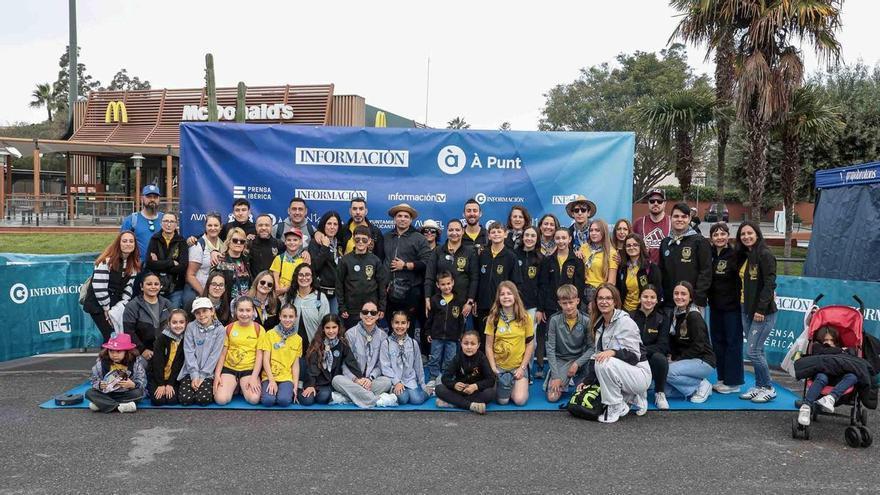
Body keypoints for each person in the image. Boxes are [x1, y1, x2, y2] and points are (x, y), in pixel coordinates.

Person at [577, 283, 652, 424]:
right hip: (624, 372)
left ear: (615, 301)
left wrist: (612, 352)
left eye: (608, 298)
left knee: (605, 362)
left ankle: (615, 405)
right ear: (596, 301)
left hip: (639, 373)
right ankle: (634, 397)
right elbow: (596, 355)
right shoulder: (599, 323)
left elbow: (634, 356)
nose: (604, 302)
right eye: (600, 298)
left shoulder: (625, 322)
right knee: (602, 361)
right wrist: (587, 381)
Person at [736, 220, 779, 403]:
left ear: (757, 234)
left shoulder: (765, 254)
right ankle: (760, 386)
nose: (746, 237)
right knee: (757, 351)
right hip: (745, 308)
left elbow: (770, 284)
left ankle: (769, 387)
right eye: (743, 234)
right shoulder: (747, 255)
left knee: (753, 351)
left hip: (762, 312)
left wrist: (761, 309)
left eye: (749, 233)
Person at [536, 228, 585, 375]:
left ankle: (570, 368)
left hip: (570, 306)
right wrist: (540, 308)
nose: (561, 241)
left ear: (570, 239)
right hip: (550, 305)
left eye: (564, 238)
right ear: (554, 240)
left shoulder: (576, 260)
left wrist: (574, 304)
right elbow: (543, 285)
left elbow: (579, 285)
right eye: (558, 238)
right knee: (547, 336)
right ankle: (541, 367)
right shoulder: (548, 260)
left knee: (568, 337)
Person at [797, 326, 863, 426]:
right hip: (823, 375)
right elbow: (822, 352)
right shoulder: (817, 346)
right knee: (822, 377)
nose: (829, 342)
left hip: (838, 378)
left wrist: (840, 350)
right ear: (821, 339)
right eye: (826, 340)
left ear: (835, 340)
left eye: (831, 340)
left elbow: (853, 354)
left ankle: (831, 397)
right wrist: (840, 350)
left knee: (853, 376)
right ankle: (806, 406)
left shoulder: (844, 348)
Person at [383, 203, 431, 339]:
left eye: (406, 216)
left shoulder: (419, 238)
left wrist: (405, 265)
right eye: (399, 216)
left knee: (407, 328)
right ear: (394, 219)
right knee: (391, 326)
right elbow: (381, 262)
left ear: (411, 220)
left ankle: (407, 357)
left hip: (411, 292)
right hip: (390, 292)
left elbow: (427, 262)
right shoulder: (386, 237)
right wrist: (384, 284)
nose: (402, 219)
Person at [334, 301, 395, 408]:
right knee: (336, 380)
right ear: (361, 315)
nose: (369, 315)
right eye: (365, 312)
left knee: (387, 382)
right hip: (353, 380)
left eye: (373, 313)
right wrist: (356, 380)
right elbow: (345, 363)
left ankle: (349, 397)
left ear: (377, 316)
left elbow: (381, 364)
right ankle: (375, 400)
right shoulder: (350, 334)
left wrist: (370, 379)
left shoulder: (383, 336)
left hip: (372, 381)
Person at [82, 231, 140, 342]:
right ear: (118, 243)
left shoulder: (133, 264)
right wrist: (106, 309)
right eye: (124, 241)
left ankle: (112, 359)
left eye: (131, 241)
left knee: (118, 336)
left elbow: (128, 288)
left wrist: (121, 306)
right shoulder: (106, 261)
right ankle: (104, 359)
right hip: (98, 305)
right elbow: (99, 286)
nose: (128, 244)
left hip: (115, 305)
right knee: (110, 337)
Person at [707, 222, 744, 395]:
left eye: (722, 234)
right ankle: (722, 377)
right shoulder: (711, 254)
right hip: (715, 306)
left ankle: (734, 382)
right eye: (716, 235)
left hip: (732, 307)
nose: (719, 237)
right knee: (718, 342)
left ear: (728, 236)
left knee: (732, 343)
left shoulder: (736, 255)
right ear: (711, 238)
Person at [485, 281, 534, 406]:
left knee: (520, 400)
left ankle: (516, 385)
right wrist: (493, 368)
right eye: (502, 294)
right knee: (503, 401)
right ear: (498, 298)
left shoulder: (525, 317)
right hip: (499, 368)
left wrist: (522, 368)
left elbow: (530, 345)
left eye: (509, 293)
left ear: (515, 296)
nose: (506, 297)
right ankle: (504, 386)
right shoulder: (493, 318)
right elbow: (488, 346)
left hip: (517, 367)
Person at [667, 281, 716, 403]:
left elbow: (698, 347)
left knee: (667, 372)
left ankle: (701, 385)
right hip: (687, 360)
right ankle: (692, 389)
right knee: (666, 390)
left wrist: (677, 360)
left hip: (703, 360)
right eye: (676, 293)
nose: (679, 297)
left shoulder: (694, 316)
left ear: (690, 297)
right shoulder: (675, 314)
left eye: (683, 294)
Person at [545, 284, 593, 402]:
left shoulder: (586, 320)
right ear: (559, 303)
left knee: (581, 396)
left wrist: (577, 363)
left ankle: (577, 378)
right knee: (552, 398)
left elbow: (592, 348)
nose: (568, 306)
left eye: (571, 302)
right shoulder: (554, 320)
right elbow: (550, 349)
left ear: (577, 301)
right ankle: (554, 375)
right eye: (564, 303)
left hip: (580, 360)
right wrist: (556, 377)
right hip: (562, 359)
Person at [475, 222, 523, 342]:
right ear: (489, 236)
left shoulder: (511, 256)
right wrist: (475, 300)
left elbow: (515, 283)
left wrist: (511, 303)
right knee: (483, 337)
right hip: (483, 305)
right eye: (493, 232)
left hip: (502, 306)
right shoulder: (482, 254)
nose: (496, 234)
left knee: (500, 338)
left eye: (499, 231)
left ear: (505, 234)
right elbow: (476, 279)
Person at [424, 219, 478, 325]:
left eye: (457, 230)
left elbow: (474, 278)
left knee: (460, 337)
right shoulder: (437, 251)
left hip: (462, 304)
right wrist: (427, 298)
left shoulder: (470, 252)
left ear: (463, 231)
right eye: (451, 230)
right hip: (440, 303)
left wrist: (470, 301)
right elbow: (429, 276)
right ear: (446, 232)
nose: (454, 233)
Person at [659, 202, 712, 310]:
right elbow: (662, 272)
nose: (680, 219)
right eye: (676, 216)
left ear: (689, 219)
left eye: (684, 217)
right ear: (671, 218)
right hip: (669, 303)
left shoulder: (699, 241)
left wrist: (698, 299)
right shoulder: (665, 242)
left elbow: (706, 272)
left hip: (692, 303)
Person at [300, 314, 361, 406]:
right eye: (327, 328)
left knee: (323, 397)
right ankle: (298, 390)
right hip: (317, 381)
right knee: (307, 401)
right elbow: (312, 367)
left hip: (331, 382)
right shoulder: (317, 344)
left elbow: (351, 362)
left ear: (339, 327)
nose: (331, 331)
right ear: (323, 329)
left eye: (334, 327)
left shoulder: (342, 343)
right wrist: (311, 386)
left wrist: (360, 377)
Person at [337, 225, 389, 330]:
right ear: (353, 239)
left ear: (369, 241)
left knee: (371, 339)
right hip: (351, 310)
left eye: (364, 240)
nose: (361, 242)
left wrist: (382, 307)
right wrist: (342, 307)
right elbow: (339, 285)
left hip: (371, 309)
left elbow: (382, 286)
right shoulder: (345, 260)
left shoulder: (375, 260)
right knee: (351, 339)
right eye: (357, 239)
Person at [215, 296, 264, 405]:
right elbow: (222, 355)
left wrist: (254, 377)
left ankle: (241, 385)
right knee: (221, 400)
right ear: (236, 311)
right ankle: (235, 384)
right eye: (241, 310)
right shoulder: (228, 328)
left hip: (249, 370)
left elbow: (260, 356)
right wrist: (217, 375)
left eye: (248, 310)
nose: (244, 314)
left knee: (254, 399)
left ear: (253, 311)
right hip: (229, 368)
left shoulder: (259, 329)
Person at [178, 297, 225, 406]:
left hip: (208, 372)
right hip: (190, 370)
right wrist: (194, 375)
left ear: (212, 311)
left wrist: (202, 375)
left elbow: (215, 355)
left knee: (203, 400)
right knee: (185, 399)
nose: (201, 315)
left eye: (204, 311)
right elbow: (189, 351)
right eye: (197, 312)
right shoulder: (191, 327)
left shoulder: (220, 329)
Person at [434, 330, 496, 414]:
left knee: (491, 393)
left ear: (478, 345)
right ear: (461, 344)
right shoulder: (457, 357)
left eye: (472, 344)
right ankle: (470, 406)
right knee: (439, 388)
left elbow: (491, 379)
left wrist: (475, 386)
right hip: (460, 391)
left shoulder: (482, 358)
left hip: (475, 392)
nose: (469, 347)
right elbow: (445, 377)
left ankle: (454, 403)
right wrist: (454, 384)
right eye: (466, 343)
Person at [629, 285, 671, 410]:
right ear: (640, 298)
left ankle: (659, 393)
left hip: (650, 357)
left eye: (652, 297)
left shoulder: (662, 318)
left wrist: (643, 351)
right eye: (645, 296)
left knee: (660, 359)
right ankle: (635, 392)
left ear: (657, 300)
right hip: (633, 356)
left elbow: (663, 345)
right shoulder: (630, 316)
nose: (649, 300)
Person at [85, 332, 146, 413]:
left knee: (139, 393)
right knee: (89, 393)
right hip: (108, 393)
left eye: (118, 352)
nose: (114, 355)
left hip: (126, 393)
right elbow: (93, 379)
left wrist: (133, 385)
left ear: (127, 351)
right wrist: (99, 385)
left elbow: (143, 381)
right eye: (111, 351)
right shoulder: (101, 363)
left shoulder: (135, 362)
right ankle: (119, 407)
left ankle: (102, 404)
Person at [425, 271, 466, 386]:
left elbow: (461, 320)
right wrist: (428, 332)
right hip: (436, 335)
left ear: (453, 283)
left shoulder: (458, 300)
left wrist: (461, 334)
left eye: (448, 283)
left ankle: (447, 377)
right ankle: (433, 377)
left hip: (452, 337)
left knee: (450, 359)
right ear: (438, 285)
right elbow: (430, 318)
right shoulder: (434, 300)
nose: (446, 286)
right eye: (443, 284)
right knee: (435, 357)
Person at [258, 303, 302, 407]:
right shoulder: (270, 334)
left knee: (284, 401)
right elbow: (265, 360)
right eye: (284, 316)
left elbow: (295, 365)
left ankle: (282, 391)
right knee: (268, 401)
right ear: (280, 317)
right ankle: (268, 391)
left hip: (286, 377)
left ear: (295, 318)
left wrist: (295, 386)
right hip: (269, 376)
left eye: (291, 317)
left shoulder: (298, 339)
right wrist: (271, 380)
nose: (287, 320)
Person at [380, 312, 429, 405]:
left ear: (408, 324)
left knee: (417, 400)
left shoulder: (413, 343)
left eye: (403, 323)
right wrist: (396, 382)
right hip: (394, 380)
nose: (400, 326)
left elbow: (418, 365)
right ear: (392, 323)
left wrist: (423, 384)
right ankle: (396, 392)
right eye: (397, 322)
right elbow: (385, 367)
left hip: (409, 380)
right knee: (403, 398)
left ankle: (429, 392)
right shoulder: (386, 343)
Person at [122, 272, 172, 358]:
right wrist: (142, 350)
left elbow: (174, 326)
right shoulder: (132, 306)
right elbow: (128, 331)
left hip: (164, 349)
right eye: (149, 284)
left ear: (160, 286)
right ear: (141, 287)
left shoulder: (167, 303)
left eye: (156, 284)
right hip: (142, 351)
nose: (153, 287)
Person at [146, 213, 188, 308]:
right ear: (161, 223)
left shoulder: (181, 241)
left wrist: (159, 265)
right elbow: (150, 264)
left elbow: (182, 267)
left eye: (172, 221)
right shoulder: (154, 239)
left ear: (176, 224)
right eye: (166, 221)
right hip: (156, 287)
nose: (168, 224)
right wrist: (172, 262)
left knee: (173, 317)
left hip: (176, 288)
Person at [516, 225, 542, 376]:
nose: (529, 238)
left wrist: (540, 308)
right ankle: (515, 368)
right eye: (527, 235)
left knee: (530, 339)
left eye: (533, 236)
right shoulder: (514, 255)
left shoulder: (540, 258)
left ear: (537, 238)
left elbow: (543, 285)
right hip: (514, 305)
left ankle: (528, 371)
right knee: (515, 338)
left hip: (532, 307)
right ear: (522, 237)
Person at [184, 213, 224, 312]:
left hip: (215, 293)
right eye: (209, 225)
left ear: (221, 227)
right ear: (205, 227)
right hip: (198, 292)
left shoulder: (223, 245)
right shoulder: (198, 244)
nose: (213, 228)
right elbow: (190, 275)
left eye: (216, 225)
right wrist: (204, 295)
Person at [149, 308, 188, 406]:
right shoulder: (162, 338)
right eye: (174, 322)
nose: (178, 325)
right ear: (169, 323)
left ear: (186, 323)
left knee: (172, 401)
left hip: (174, 377)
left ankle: (170, 386)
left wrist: (170, 383)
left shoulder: (186, 339)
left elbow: (179, 364)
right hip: (158, 376)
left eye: (181, 322)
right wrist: (161, 384)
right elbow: (157, 363)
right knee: (158, 401)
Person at [308, 211, 343, 315]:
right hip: (320, 291)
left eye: (335, 224)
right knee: (319, 324)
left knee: (333, 324)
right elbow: (315, 266)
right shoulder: (315, 242)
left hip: (337, 293)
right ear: (323, 224)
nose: (332, 227)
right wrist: (325, 247)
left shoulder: (341, 244)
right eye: (329, 223)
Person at [616, 234, 662, 312]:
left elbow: (657, 293)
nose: (631, 247)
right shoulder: (623, 268)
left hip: (642, 312)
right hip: (624, 311)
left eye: (635, 245)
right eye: (628, 245)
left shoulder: (651, 268)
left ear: (641, 246)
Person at [290, 263, 330, 350]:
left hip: (314, 349)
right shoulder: (290, 297)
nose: (304, 278)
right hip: (292, 349)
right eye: (301, 275)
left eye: (307, 275)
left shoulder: (320, 298)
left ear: (312, 277)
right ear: (296, 277)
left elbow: (325, 324)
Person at [121, 184, 163, 265]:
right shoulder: (131, 220)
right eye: (149, 197)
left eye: (155, 197)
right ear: (142, 199)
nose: (152, 199)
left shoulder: (165, 219)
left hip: (161, 267)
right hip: (137, 268)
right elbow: (120, 245)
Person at [580, 218, 619, 306]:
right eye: (591, 230)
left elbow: (611, 282)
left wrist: (598, 299)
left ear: (604, 232)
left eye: (597, 230)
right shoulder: (583, 248)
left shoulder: (611, 252)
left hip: (599, 292)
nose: (593, 233)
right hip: (582, 290)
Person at [632, 188, 671, 265]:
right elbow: (629, 244)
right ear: (648, 203)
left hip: (666, 272)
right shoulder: (639, 223)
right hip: (645, 270)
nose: (655, 203)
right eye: (652, 201)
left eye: (659, 201)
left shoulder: (672, 222)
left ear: (664, 203)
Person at [215, 227, 252, 301]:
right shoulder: (222, 260)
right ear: (228, 242)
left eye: (242, 241)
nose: (238, 243)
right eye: (235, 240)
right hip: (228, 303)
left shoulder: (246, 260)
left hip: (245, 303)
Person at [270, 227, 306, 301]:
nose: (292, 242)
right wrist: (278, 289)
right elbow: (275, 276)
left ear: (301, 242)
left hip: (298, 295)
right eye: (289, 240)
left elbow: (304, 279)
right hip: (280, 296)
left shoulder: (304, 260)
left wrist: (286, 289)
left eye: (295, 240)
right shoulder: (279, 258)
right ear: (285, 242)